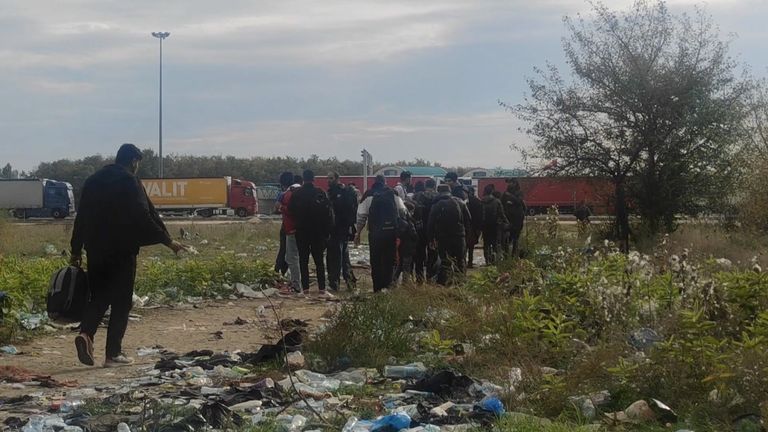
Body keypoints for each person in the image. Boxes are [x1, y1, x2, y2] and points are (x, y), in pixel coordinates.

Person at [70, 143, 188, 367]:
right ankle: (113, 354)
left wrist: (76, 250)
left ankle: (85, 334)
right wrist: (168, 241)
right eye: (137, 164)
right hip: (122, 251)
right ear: (133, 161)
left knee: (99, 296)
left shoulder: (92, 181)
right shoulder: (129, 181)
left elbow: (81, 218)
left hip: (95, 250)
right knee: (122, 302)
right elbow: (143, 215)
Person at [355, 175, 407, 292]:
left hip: (375, 233)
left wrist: (358, 233)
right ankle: (388, 288)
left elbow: (361, 216)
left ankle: (377, 289)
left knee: (376, 261)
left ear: (375, 182)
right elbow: (403, 210)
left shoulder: (369, 194)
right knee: (390, 261)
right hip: (391, 233)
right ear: (385, 182)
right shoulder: (392, 193)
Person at [288, 170, 335, 298]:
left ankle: (306, 290)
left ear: (303, 179)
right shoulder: (320, 192)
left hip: (302, 231)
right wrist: (327, 232)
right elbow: (329, 213)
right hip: (318, 232)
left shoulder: (297, 193)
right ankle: (322, 290)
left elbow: (290, 210)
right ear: (313, 179)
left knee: (303, 261)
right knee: (319, 261)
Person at [428, 184, 471, 286]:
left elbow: (430, 223)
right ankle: (461, 283)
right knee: (460, 261)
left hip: (443, 238)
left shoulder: (437, 205)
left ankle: (445, 285)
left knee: (445, 262)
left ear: (439, 192)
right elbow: (469, 220)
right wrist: (466, 236)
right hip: (460, 236)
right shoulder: (460, 202)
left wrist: (431, 239)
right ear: (450, 191)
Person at [326, 171, 358, 292]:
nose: (328, 180)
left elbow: (337, 212)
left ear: (337, 179)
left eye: (331, 178)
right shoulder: (343, 192)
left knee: (335, 258)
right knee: (344, 257)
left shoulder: (338, 193)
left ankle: (335, 284)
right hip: (343, 229)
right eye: (328, 178)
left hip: (337, 229)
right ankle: (350, 282)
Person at [277, 173, 302, 293]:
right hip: (306, 229)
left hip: (291, 229)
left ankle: (296, 285)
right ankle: (301, 283)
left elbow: (287, 210)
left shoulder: (287, 194)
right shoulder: (302, 191)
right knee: (297, 257)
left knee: (292, 257)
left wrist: (282, 208)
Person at [412, 178, 439, 282]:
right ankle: (430, 277)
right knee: (433, 255)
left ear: (425, 186)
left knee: (419, 255)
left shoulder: (417, 196)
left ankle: (419, 279)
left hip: (419, 229)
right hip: (433, 231)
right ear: (434, 186)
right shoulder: (438, 197)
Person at [480, 184, 508, 265]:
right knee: (496, 243)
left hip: (485, 226)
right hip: (496, 226)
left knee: (486, 244)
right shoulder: (497, 201)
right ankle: (496, 261)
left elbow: (480, 214)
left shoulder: (481, 201)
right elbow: (502, 214)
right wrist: (507, 222)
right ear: (492, 191)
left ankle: (487, 261)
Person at [273, 172, 295, 276]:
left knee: (283, 249)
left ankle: (278, 271)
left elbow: (276, 207)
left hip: (286, 226)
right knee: (293, 252)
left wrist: (281, 208)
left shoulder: (283, 194)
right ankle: (287, 271)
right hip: (298, 227)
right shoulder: (297, 191)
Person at [394, 201, 418, 284]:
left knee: (399, 266)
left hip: (401, 247)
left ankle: (393, 281)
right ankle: (405, 283)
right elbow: (414, 235)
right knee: (406, 266)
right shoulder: (409, 222)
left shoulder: (398, 220)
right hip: (408, 248)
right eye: (412, 211)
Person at [501, 179, 526, 258]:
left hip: (517, 219)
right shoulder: (506, 193)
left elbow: (519, 202)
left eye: (511, 183)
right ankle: (506, 255)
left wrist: (510, 197)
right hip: (508, 219)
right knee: (507, 239)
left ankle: (514, 255)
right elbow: (502, 203)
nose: (509, 185)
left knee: (515, 239)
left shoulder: (518, 193)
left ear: (515, 183)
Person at [465, 186, 484, 269]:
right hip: (474, 227)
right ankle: (470, 262)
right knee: (471, 246)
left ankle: (463, 261)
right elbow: (481, 215)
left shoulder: (464, 202)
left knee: (464, 245)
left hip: (465, 226)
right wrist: (479, 228)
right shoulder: (478, 201)